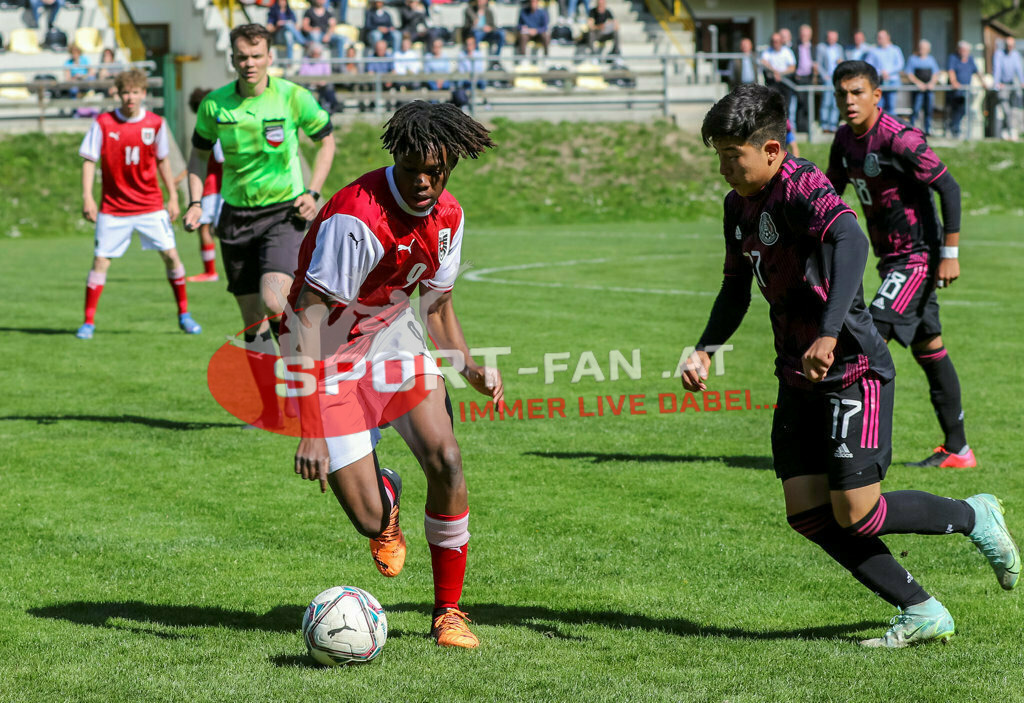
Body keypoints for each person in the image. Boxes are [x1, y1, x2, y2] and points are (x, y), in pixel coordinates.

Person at [687, 82, 1019, 649]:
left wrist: (829, 330)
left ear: (770, 149)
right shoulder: (737, 206)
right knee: (807, 512)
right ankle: (922, 610)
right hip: (796, 373)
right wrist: (704, 347)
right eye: (717, 153)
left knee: (857, 512)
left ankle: (973, 515)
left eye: (730, 155)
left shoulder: (802, 184)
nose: (723, 167)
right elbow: (735, 288)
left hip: (850, 370)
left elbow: (850, 239)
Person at [285, 100, 503, 649]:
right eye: (413, 170)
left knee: (447, 459)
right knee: (366, 518)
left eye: (437, 171)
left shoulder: (448, 215)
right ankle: (385, 499)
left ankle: (448, 613)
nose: (425, 183)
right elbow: (308, 319)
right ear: (396, 157)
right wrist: (311, 427)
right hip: (325, 350)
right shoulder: (357, 218)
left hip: (389, 336)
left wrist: (467, 366)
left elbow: (435, 308)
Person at [826, 61, 975, 469]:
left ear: (877, 94)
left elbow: (949, 187)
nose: (849, 101)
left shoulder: (899, 139)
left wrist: (949, 253)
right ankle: (959, 450)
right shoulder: (843, 140)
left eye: (857, 92)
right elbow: (830, 197)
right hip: (890, 259)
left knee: (862, 339)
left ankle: (844, 449)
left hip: (918, 257)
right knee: (930, 348)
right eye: (842, 93)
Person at [185, 23, 335, 426]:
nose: (249, 63)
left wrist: (314, 192)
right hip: (234, 218)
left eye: (256, 56)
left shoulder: (292, 97)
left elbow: (327, 141)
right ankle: (271, 405)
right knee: (253, 321)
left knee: (275, 301)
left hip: (282, 214)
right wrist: (196, 201)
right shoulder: (215, 105)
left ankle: (303, 392)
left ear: (270, 57)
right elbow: (197, 155)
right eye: (242, 57)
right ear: (232, 58)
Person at [75, 69, 200, 340]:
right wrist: (87, 196)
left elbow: (163, 161)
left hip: (150, 205)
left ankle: (184, 314)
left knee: (171, 256)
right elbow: (89, 160)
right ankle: (88, 322)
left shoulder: (155, 123)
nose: (130, 98)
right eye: (125, 92)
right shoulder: (103, 123)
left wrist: (173, 196)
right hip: (113, 208)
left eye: (135, 92)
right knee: (100, 261)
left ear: (144, 94)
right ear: (117, 94)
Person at [185, 87, 224, 283]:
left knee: (205, 228)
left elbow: (219, 157)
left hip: (214, 186)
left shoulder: (213, 128)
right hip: (218, 185)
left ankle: (210, 271)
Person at [903, 39, 941, 135]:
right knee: (916, 109)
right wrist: (919, 84)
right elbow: (909, 73)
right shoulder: (913, 59)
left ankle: (928, 129)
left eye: (924, 48)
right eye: (920, 48)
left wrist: (931, 83)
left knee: (929, 110)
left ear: (928, 49)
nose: (921, 50)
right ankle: (911, 129)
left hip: (928, 89)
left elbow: (936, 73)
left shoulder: (931, 60)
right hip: (918, 89)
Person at [992, 36, 1023, 141]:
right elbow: (997, 69)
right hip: (1002, 85)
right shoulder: (999, 54)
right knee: (1006, 110)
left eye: (1011, 46)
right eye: (1008, 45)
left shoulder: (1015, 54)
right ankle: (1010, 130)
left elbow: (1018, 69)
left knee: (1013, 110)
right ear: (1005, 45)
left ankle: (1007, 130)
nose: (1010, 47)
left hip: (1011, 85)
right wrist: (997, 83)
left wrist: (1022, 82)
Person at [866, 29, 904, 116]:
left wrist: (888, 72)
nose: (880, 39)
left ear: (888, 38)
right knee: (879, 107)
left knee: (891, 107)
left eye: (882, 37)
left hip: (893, 82)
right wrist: (880, 72)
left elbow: (900, 65)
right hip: (879, 82)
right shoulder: (873, 51)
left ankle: (891, 128)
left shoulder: (895, 50)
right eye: (878, 38)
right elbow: (868, 65)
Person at [947, 41, 978, 138]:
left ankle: (956, 127)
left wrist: (984, 83)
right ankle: (954, 128)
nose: (965, 52)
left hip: (966, 90)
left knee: (964, 110)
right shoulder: (953, 58)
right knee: (956, 109)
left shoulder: (970, 59)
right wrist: (954, 82)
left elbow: (977, 71)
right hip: (956, 90)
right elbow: (951, 71)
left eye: (967, 50)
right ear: (959, 50)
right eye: (964, 50)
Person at [760, 32, 795, 115]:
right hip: (772, 82)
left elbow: (792, 67)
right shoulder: (767, 51)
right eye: (773, 41)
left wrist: (780, 74)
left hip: (785, 82)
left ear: (781, 41)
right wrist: (775, 72)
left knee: (786, 106)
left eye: (777, 41)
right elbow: (764, 62)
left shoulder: (787, 51)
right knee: (773, 106)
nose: (775, 43)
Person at [298, 42, 339, 114]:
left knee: (329, 89)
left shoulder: (324, 60)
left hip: (322, 85)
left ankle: (331, 108)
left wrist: (322, 82)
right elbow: (302, 75)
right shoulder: (305, 60)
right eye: (314, 53)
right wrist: (312, 82)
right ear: (311, 53)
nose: (316, 56)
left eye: (318, 54)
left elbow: (327, 75)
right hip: (309, 85)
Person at [816, 30, 845, 132]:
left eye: (834, 37)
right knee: (826, 102)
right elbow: (818, 64)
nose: (832, 39)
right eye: (830, 37)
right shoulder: (821, 47)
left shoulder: (839, 48)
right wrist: (824, 76)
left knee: (835, 103)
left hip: (837, 78)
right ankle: (824, 125)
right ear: (827, 38)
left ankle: (833, 125)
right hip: (827, 79)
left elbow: (843, 61)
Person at [791, 24, 818, 131]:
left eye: (806, 35)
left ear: (810, 36)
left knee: (809, 103)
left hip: (809, 78)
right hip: (798, 78)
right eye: (802, 35)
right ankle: (800, 126)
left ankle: (807, 127)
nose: (804, 37)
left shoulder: (814, 48)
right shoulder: (794, 47)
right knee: (799, 102)